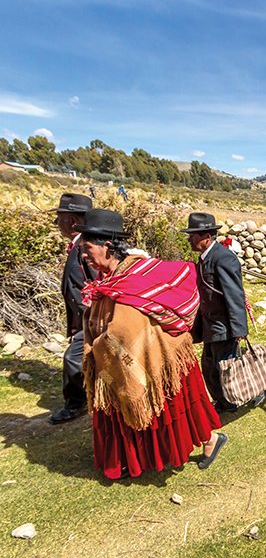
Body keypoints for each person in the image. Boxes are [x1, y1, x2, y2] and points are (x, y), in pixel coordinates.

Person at [78, 209, 226, 480]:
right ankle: (127, 458)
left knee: (176, 407)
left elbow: (127, 327)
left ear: (107, 247)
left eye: (87, 248)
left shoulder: (140, 274)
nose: (83, 254)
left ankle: (211, 439)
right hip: (131, 361)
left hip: (159, 357)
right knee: (127, 410)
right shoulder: (109, 281)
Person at [182, 213, 253, 413]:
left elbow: (234, 295)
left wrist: (239, 329)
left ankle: (234, 401)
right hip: (210, 327)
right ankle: (223, 402)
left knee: (225, 368)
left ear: (206, 236)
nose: (189, 239)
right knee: (210, 368)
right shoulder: (205, 258)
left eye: (193, 235)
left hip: (224, 327)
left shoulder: (223, 258)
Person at [49, 194, 97, 424]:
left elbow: (97, 280)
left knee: (72, 358)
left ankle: (77, 403)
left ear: (72, 220)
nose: (58, 225)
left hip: (90, 317)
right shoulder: (79, 245)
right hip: (84, 317)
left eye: (60, 219)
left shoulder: (85, 248)